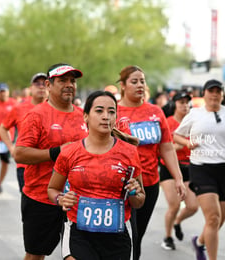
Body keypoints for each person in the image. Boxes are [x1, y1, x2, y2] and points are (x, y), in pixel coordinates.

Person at [47, 90, 145, 259]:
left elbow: (139, 201)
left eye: (111, 112)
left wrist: (135, 192)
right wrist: (60, 199)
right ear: (86, 116)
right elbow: (52, 189)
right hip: (79, 232)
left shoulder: (129, 152)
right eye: (99, 111)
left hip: (118, 235)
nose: (106, 116)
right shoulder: (69, 152)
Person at [13, 63, 88, 260]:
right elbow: (19, 154)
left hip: (77, 199)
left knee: (77, 254)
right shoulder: (36, 115)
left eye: (72, 81)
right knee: (36, 255)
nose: (69, 85)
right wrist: (57, 152)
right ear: (49, 84)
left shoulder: (84, 116)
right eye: (62, 80)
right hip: (41, 198)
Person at [115, 65, 186, 260]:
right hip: (119, 185)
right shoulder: (113, 111)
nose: (139, 85)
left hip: (149, 184)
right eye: (134, 81)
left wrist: (178, 178)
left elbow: (167, 147)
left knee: (137, 236)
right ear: (122, 85)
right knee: (126, 235)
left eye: (142, 81)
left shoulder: (155, 112)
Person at [173, 79, 225, 260]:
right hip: (201, 169)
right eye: (211, 91)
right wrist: (187, 143)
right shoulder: (194, 114)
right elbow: (177, 135)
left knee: (218, 221)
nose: (214, 95)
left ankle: (199, 242)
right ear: (204, 94)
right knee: (213, 218)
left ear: (222, 94)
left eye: (218, 91)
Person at [160, 91, 199, 250]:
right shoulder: (168, 122)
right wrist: (181, 144)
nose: (184, 105)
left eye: (186, 102)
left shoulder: (194, 121)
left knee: (192, 206)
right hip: (169, 167)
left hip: (188, 167)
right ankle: (168, 237)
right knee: (174, 205)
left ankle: (177, 222)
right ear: (174, 104)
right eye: (181, 102)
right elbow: (163, 149)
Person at [0, 73, 48, 192]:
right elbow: (3, 128)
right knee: (28, 204)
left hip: (49, 166)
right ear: (31, 88)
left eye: (44, 84)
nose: (41, 87)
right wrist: (11, 147)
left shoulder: (56, 108)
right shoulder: (19, 108)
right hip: (25, 165)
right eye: (37, 84)